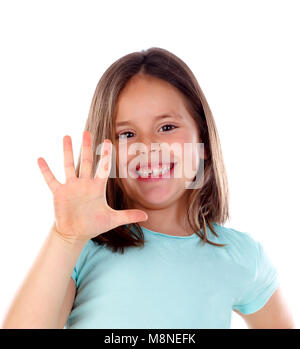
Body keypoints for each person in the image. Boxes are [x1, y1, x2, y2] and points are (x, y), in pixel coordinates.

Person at [2, 47, 295, 329]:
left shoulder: (241, 256)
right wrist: (65, 239)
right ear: (107, 153)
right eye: (127, 134)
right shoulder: (81, 249)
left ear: (202, 140)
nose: (148, 146)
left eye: (166, 127)